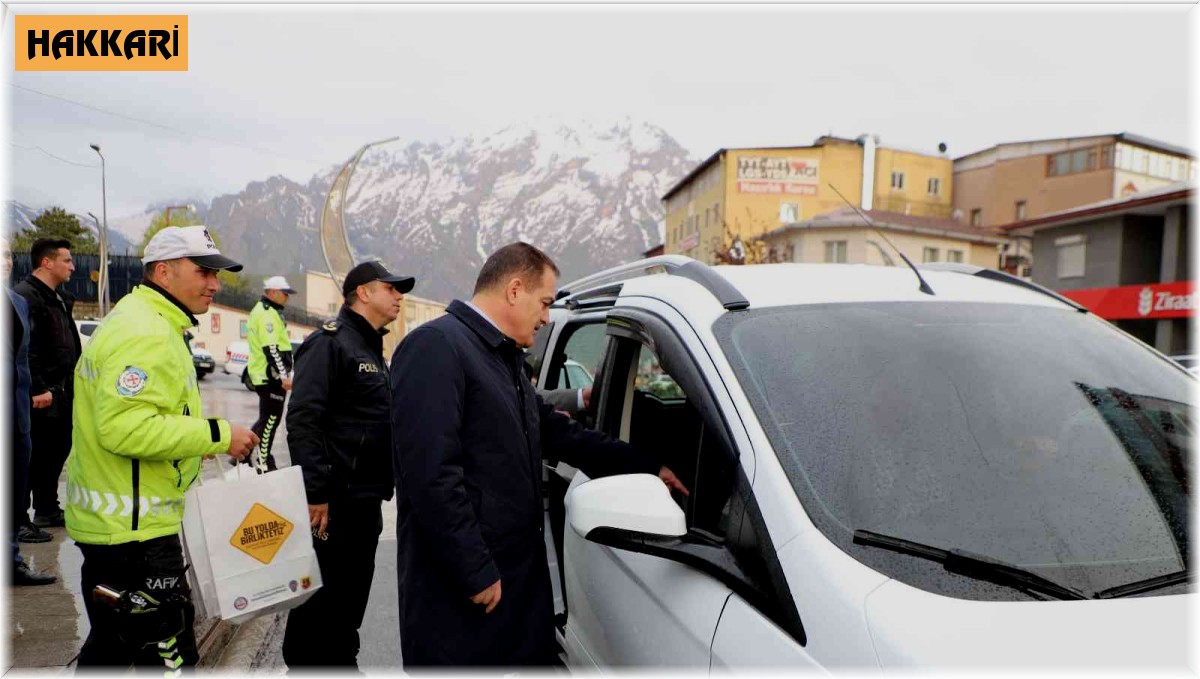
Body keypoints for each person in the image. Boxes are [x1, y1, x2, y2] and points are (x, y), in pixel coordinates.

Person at [389, 242, 688, 667]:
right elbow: (431, 476)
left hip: (513, 586)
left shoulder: (501, 358)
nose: (547, 316)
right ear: (514, 290)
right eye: (545, 302)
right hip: (464, 595)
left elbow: (557, 432)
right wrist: (474, 571)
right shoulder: (436, 347)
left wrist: (647, 466)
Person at [65, 226, 258, 670]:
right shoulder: (145, 332)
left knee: (110, 651)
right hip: (135, 538)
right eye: (203, 271)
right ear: (164, 271)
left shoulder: (149, 322)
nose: (214, 284)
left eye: (217, 274)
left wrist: (189, 446)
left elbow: (143, 419)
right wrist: (218, 434)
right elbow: (125, 429)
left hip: (116, 527)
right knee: (170, 657)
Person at [281, 260, 414, 669]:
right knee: (320, 614)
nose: (398, 296)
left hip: (363, 504)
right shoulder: (331, 344)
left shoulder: (369, 347)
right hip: (333, 508)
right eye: (389, 288)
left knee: (346, 611)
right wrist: (316, 494)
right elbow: (303, 420)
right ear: (363, 293)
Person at [13, 238, 82, 542]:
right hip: (39, 394)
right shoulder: (25, 296)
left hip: (63, 391)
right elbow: (24, 348)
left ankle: (46, 508)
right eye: (66, 260)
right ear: (46, 262)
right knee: (32, 456)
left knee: (55, 451)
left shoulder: (58, 297)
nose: (72, 266)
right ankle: (19, 520)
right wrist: (38, 387)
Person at [3, 237, 56, 585]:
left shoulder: (16, 303)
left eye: (7, 254)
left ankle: (11, 561)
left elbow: (20, 361)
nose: (5, 261)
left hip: (17, 416)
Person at [243, 275, 297, 472]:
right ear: (272, 292)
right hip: (269, 376)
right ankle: (263, 462)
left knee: (265, 419)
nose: (287, 298)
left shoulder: (269, 311)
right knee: (270, 420)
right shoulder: (266, 314)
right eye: (284, 293)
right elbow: (272, 348)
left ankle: (244, 454)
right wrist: (283, 375)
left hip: (265, 374)